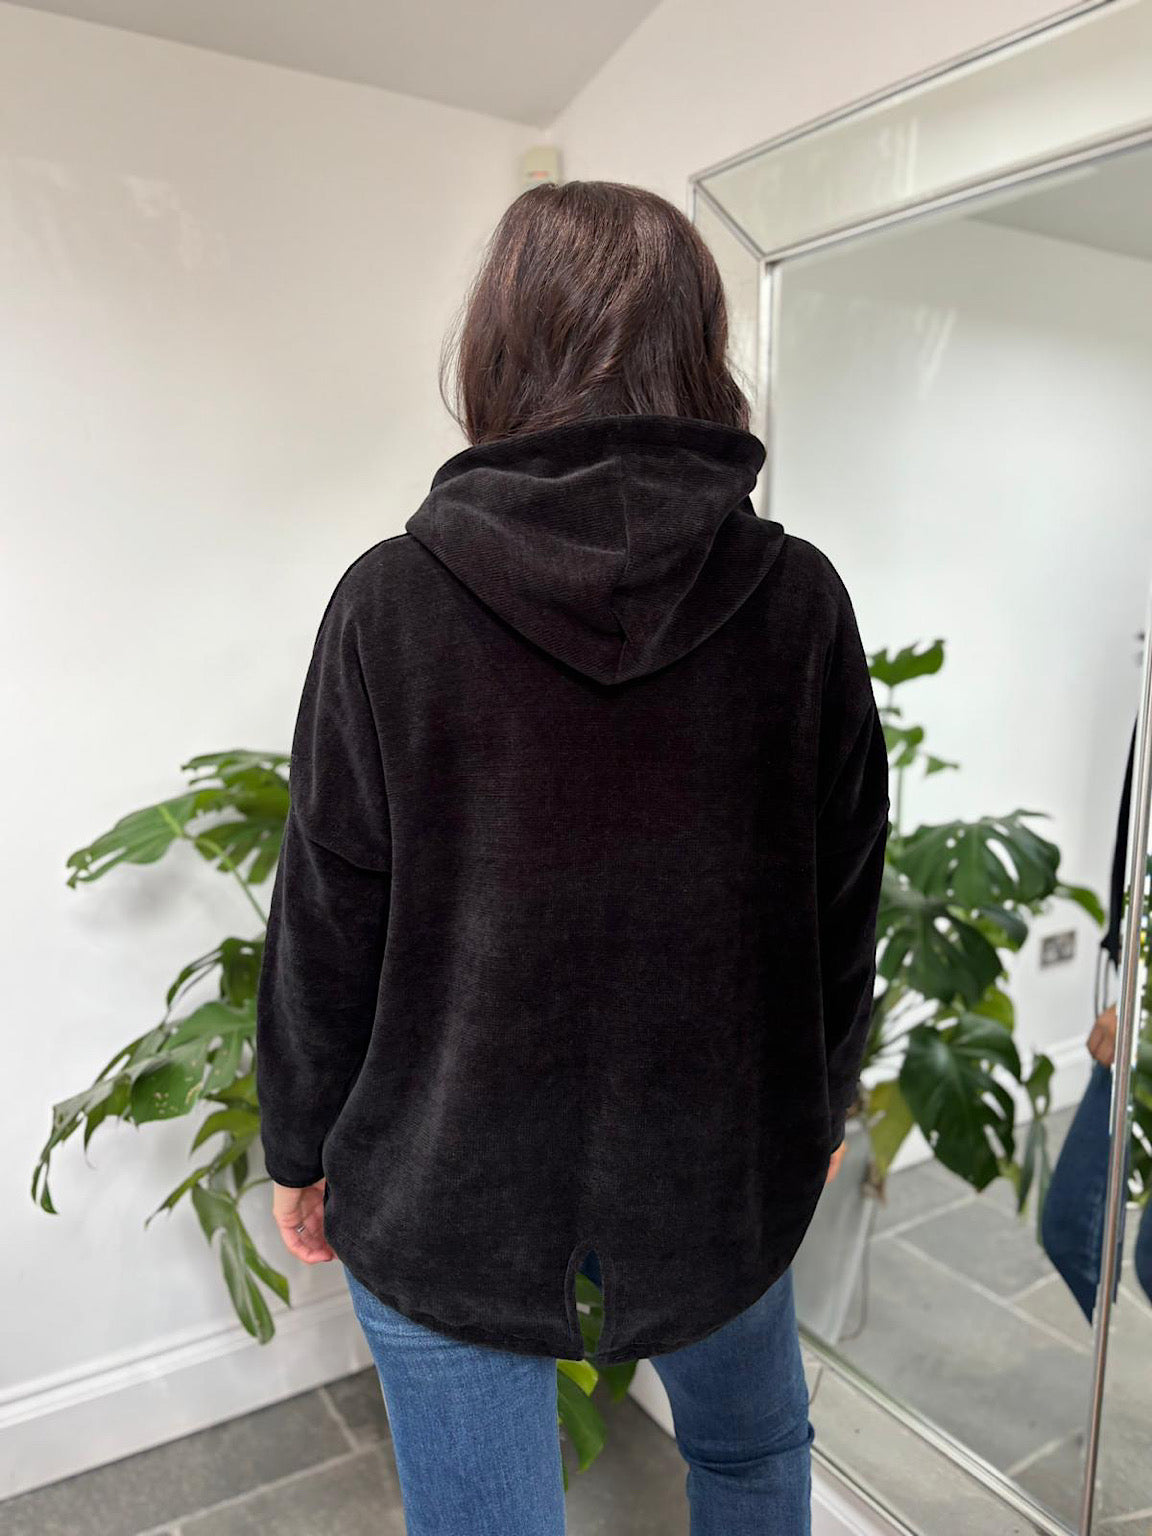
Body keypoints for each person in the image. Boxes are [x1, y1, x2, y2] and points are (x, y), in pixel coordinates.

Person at [255, 179, 890, 1535]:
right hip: (720, 1165)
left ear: (498, 345)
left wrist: (298, 1141)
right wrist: (825, 1095)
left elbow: (327, 910)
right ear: (700, 347)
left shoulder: (390, 601)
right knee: (753, 1460)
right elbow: (844, 896)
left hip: (445, 1175)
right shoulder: (799, 601)